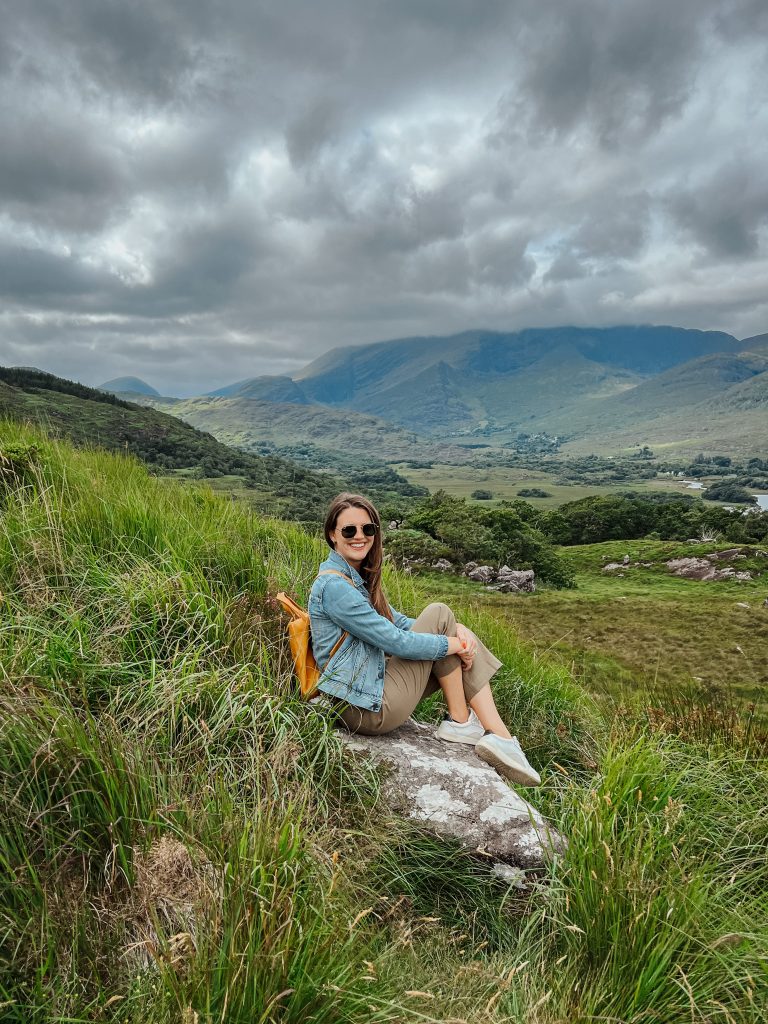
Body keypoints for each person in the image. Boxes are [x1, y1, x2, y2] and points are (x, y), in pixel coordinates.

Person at [308, 492, 540, 786]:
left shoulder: (353, 579)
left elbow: (399, 622)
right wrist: (452, 642)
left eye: (367, 529)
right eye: (349, 530)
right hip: (366, 711)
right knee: (440, 613)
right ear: (332, 534)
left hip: (364, 695)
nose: (360, 537)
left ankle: (464, 723)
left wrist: (457, 630)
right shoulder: (334, 586)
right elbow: (396, 642)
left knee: (444, 621)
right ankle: (496, 735)